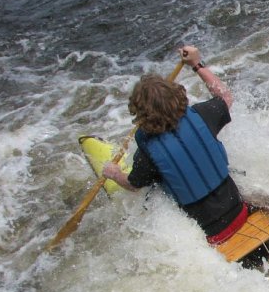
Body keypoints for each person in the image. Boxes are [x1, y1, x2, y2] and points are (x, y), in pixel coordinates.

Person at [102, 45, 248, 244]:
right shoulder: (203, 115)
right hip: (240, 212)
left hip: (211, 236)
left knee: (152, 191)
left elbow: (133, 185)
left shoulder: (147, 152)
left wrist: (114, 174)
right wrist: (196, 65)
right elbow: (225, 96)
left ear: (140, 114)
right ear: (177, 95)